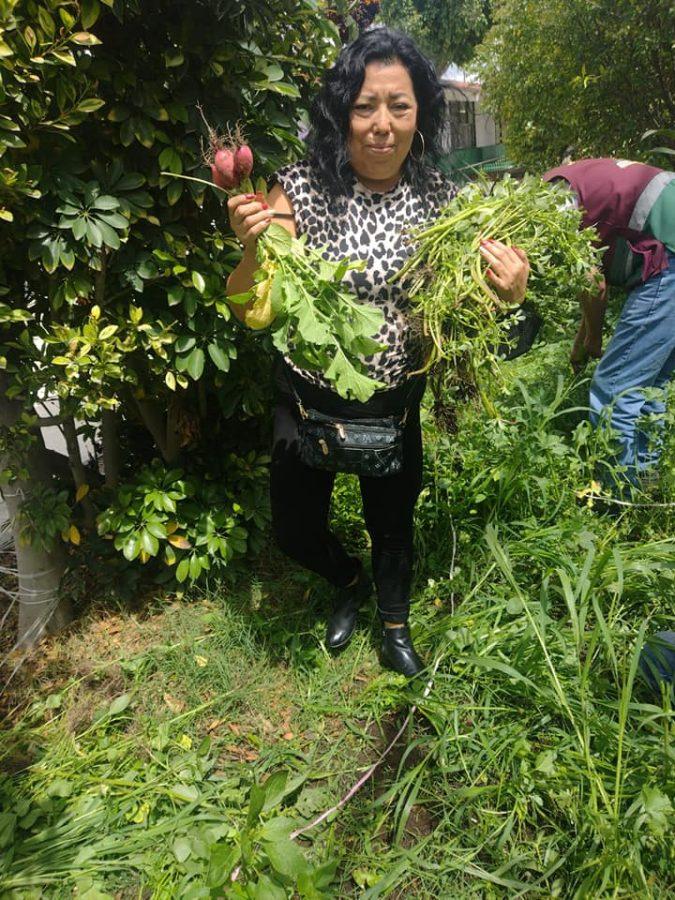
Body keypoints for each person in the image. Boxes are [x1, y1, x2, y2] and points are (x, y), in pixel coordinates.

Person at [226, 28, 529, 676]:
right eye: (365, 106)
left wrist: (507, 295)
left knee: (392, 526)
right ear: (342, 112)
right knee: (294, 531)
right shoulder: (300, 193)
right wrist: (252, 249)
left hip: (393, 405)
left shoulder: (443, 204)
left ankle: (393, 624)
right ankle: (345, 582)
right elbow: (255, 309)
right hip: (306, 402)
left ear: (421, 111)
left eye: (400, 105)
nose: (382, 124)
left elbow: (476, 315)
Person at [543, 158, 675, 489]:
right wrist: (582, 342)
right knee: (648, 387)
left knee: (614, 387)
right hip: (670, 250)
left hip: (669, 259)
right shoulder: (572, 184)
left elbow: (591, 282)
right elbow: (590, 283)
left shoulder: (548, 206)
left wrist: (594, 343)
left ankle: (619, 501)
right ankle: (646, 488)